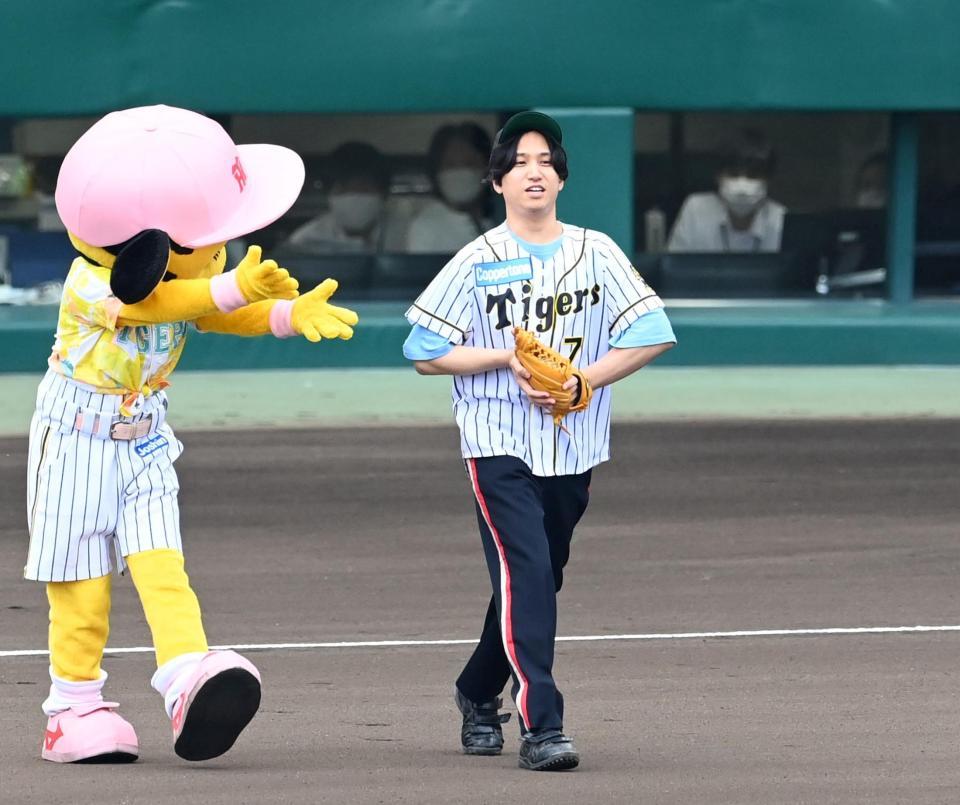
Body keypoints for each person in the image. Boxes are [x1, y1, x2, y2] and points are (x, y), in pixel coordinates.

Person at [26, 104, 358, 765]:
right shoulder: (90, 281)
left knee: (161, 564)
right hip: (75, 440)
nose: (220, 251)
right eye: (209, 242)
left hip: (146, 437)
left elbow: (210, 312)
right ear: (156, 242)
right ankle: (74, 708)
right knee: (83, 586)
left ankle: (185, 674)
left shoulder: (195, 280)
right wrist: (232, 286)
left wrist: (286, 314)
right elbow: (164, 304)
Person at [402, 111, 676, 771]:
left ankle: (475, 689)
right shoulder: (477, 259)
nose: (534, 170)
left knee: (537, 581)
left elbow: (652, 330)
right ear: (498, 181)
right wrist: (503, 357)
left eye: (545, 160)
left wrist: (585, 380)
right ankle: (542, 723)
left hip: (574, 443)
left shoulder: (596, 250)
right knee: (527, 573)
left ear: (560, 177)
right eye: (519, 160)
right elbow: (423, 349)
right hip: (497, 441)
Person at [667, 129, 786, 252]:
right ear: (718, 176)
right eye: (733, 174)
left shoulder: (780, 219)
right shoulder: (696, 210)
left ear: (768, 180)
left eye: (752, 175)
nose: (742, 185)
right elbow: (672, 266)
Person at [283, 141, 406, 253]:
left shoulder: (407, 235)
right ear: (329, 194)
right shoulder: (305, 241)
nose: (354, 197)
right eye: (344, 188)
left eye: (363, 188)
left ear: (383, 194)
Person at [406, 122, 495, 253]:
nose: (460, 172)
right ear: (436, 173)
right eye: (450, 165)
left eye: (469, 163)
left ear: (487, 168)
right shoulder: (425, 226)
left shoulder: (505, 217)